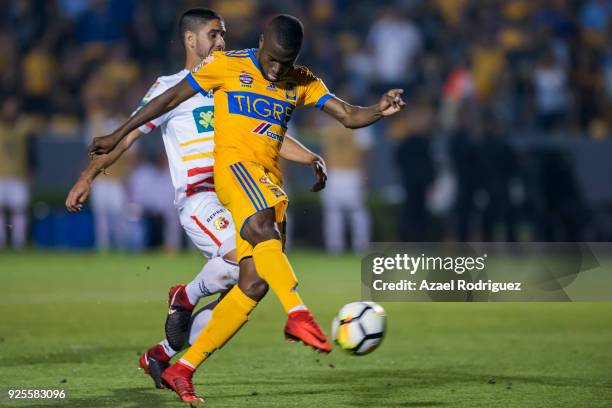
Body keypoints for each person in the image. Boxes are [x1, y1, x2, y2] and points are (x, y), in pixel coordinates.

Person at [89, 14, 405, 403]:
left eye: (284, 63)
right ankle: (298, 315)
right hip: (232, 170)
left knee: (253, 285)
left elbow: (348, 115)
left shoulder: (302, 80)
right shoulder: (228, 65)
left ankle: (181, 367)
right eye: (271, 59)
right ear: (260, 42)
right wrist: (118, 133)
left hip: (269, 181)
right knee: (261, 232)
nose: (276, 69)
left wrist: (379, 108)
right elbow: (168, 99)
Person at [66, 9, 327, 391]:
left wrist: (310, 157)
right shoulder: (170, 86)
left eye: (223, 35)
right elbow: (128, 136)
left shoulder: (230, 79)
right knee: (249, 258)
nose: (221, 42)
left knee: (252, 284)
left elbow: (266, 132)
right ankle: (187, 296)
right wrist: (87, 175)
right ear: (190, 40)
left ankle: (164, 352)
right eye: (213, 35)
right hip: (201, 197)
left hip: (240, 191)